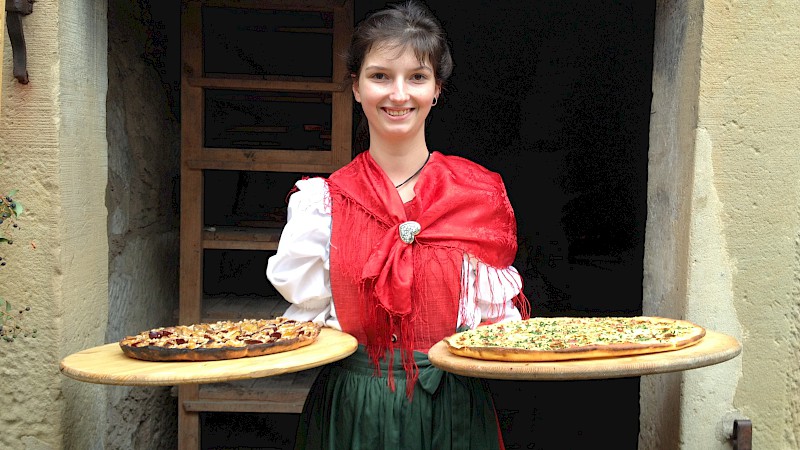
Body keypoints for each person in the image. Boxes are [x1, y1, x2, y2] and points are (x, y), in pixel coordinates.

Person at [267, 1, 530, 448]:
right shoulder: (323, 204)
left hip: (454, 412)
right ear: (355, 87)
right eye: (380, 76)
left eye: (417, 77)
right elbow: (309, 328)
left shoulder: (479, 194)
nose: (399, 94)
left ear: (437, 90)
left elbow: (500, 334)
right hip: (352, 413)